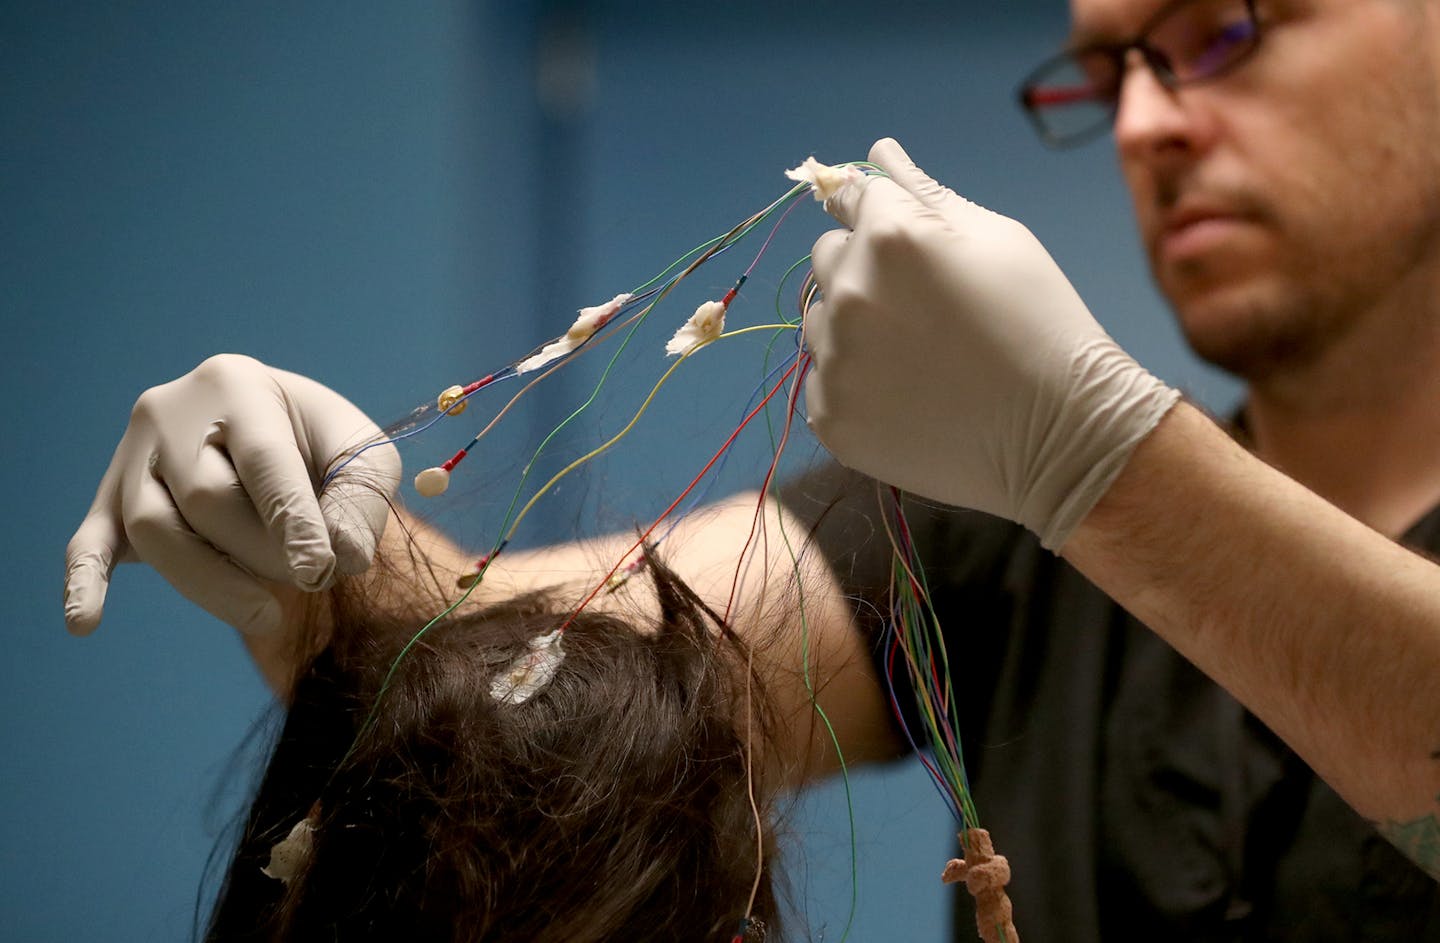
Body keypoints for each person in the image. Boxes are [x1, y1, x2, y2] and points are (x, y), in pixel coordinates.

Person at [63, 0, 1440, 939]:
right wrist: (318, 554)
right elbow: (521, 678)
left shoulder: (1056, 482)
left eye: (1221, 32)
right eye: (1109, 69)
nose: (1145, 125)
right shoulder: (994, 530)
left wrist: (1098, 459)